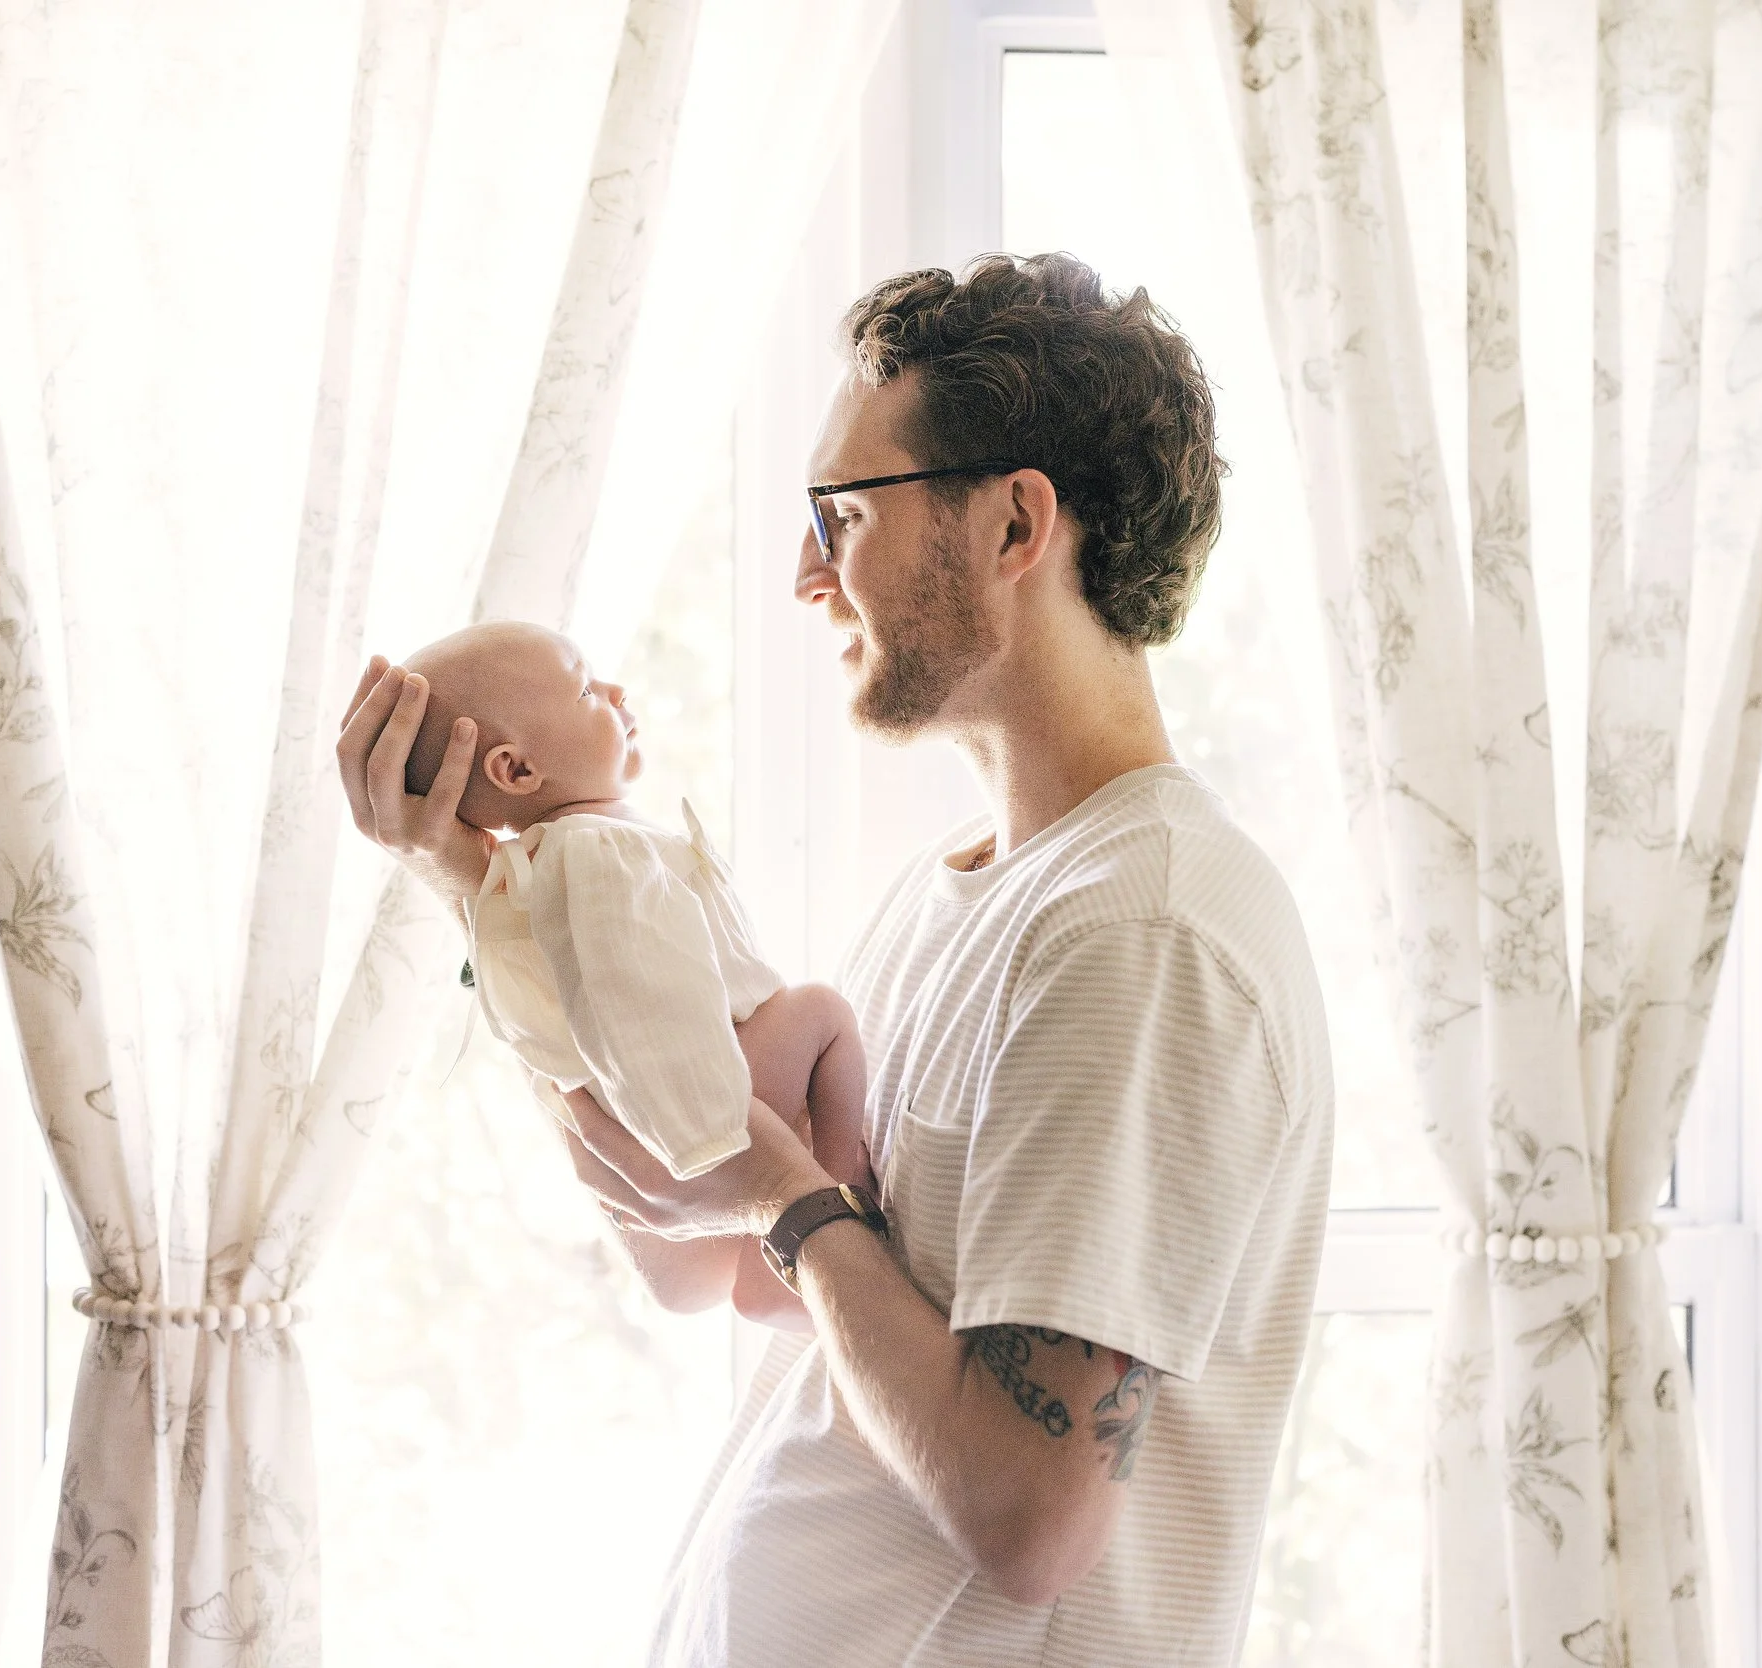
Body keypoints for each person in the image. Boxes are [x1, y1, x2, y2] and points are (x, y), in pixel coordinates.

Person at [338, 253, 1334, 1667]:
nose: (808, 572)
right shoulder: (961, 899)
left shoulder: (1139, 933)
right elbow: (722, 1263)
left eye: (839, 513)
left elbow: (1027, 1518)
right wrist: (476, 875)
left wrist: (785, 1198)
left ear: (1012, 524)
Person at [385, 619, 867, 1326]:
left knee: (690, 1280)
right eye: (586, 689)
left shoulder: (541, 868)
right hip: (688, 1100)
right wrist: (693, 1136)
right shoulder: (600, 853)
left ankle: (774, 1260)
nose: (615, 690)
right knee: (823, 1014)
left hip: (642, 1111)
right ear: (516, 771)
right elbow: (643, 1004)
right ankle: (837, 1198)